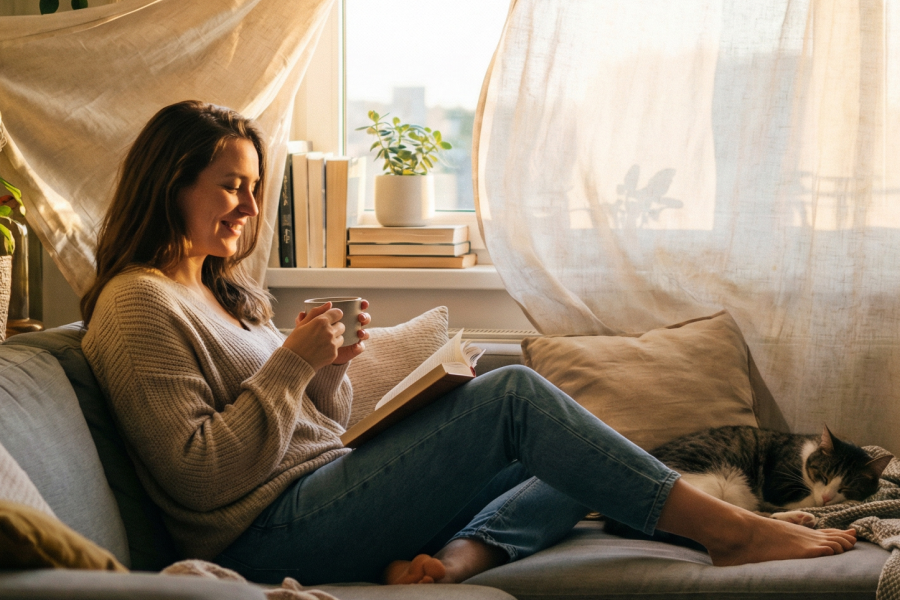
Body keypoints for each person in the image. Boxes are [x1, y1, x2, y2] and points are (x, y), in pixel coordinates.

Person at [81, 100, 856, 586]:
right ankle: (733, 534)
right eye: (229, 184)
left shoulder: (221, 291)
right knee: (515, 396)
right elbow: (198, 473)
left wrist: (330, 372)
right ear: (169, 183)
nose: (249, 205)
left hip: (326, 489)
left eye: (255, 186)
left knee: (584, 451)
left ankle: (454, 563)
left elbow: (307, 423)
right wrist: (294, 363)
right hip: (267, 534)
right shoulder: (137, 305)